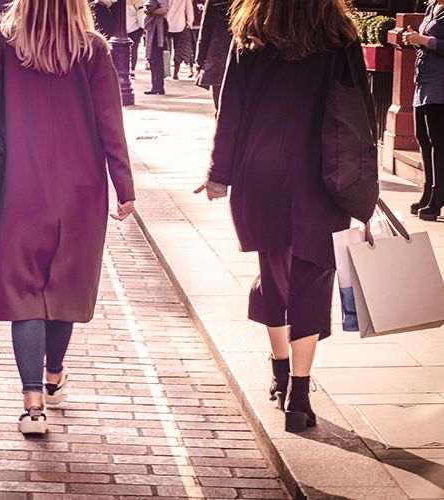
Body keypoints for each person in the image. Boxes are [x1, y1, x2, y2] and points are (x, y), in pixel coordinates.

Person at [196, 0, 376, 433]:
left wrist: (218, 175)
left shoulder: (253, 32)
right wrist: (364, 178)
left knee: (274, 276)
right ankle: (299, 394)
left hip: (261, 173)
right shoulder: (339, 35)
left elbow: (231, 111)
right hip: (323, 177)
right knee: (313, 277)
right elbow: (360, 113)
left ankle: (278, 374)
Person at [0, 0, 136, 435]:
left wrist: (5, 124)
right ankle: (54, 376)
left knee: (24, 292)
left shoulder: (5, 41)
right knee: (65, 287)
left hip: (21, 185)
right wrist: (124, 188)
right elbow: (111, 123)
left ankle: (32, 404)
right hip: (82, 189)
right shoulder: (92, 48)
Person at [403, 0, 444, 221]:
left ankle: (438, 197)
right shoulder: (431, 7)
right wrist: (414, 40)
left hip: (440, 85)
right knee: (423, 138)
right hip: (423, 81)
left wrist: (424, 40)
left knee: (438, 141)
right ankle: (428, 191)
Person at [194, 0, 231, 110]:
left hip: (218, 59)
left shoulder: (213, 2)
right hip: (243, 61)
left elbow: (205, 34)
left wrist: (199, 62)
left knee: (220, 109)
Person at [144, 0, 168, 94]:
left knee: (156, 58)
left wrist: (151, 10)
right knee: (154, 58)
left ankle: (157, 86)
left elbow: (164, 9)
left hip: (158, 27)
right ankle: (156, 86)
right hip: (155, 26)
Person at [166, 0, 193, 79]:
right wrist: (189, 22)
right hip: (180, 24)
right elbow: (189, 9)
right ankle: (176, 72)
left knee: (166, 50)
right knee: (179, 50)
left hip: (166, 24)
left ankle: (166, 71)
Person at [127, 0, 144, 78]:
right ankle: (132, 70)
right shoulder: (138, 2)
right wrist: (142, 27)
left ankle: (126, 68)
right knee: (134, 49)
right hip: (135, 28)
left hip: (124, 28)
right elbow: (140, 14)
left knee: (125, 50)